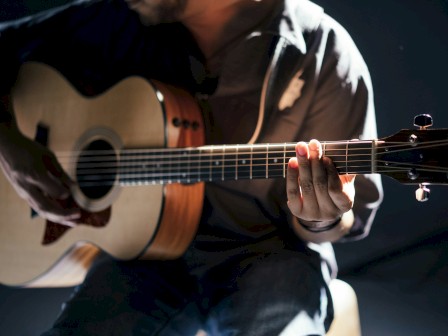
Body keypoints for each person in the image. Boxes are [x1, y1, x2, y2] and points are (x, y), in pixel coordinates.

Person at [0, 0, 383, 335]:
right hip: (141, 260)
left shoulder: (322, 49)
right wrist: (10, 145)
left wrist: (320, 216)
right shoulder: (119, 17)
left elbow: (343, 220)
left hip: (272, 254)